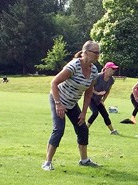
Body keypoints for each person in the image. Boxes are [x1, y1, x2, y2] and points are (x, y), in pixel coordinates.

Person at [42, 40, 100, 171]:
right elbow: (53, 83)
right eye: (95, 52)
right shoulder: (73, 66)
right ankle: (47, 162)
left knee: (82, 129)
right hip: (58, 99)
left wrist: (84, 112)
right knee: (59, 129)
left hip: (72, 103)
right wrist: (58, 104)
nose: (97, 55)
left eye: (98, 53)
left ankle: (84, 160)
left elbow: (89, 92)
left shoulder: (94, 70)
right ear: (85, 52)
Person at [88, 61, 119, 135]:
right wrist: (97, 93)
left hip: (98, 100)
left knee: (105, 115)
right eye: (112, 69)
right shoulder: (98, 76)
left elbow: (108, 91)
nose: (113, 71)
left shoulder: (111, 80)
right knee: (95, 113)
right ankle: (85, 129)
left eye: (114, 69)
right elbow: (89, 87)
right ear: (106, 69)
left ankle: (112, 131)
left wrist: (103, 100)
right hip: (90, 98)